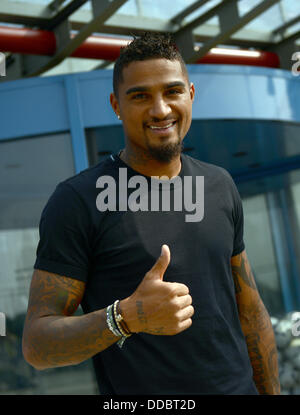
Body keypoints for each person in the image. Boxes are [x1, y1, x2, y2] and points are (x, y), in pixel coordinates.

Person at [22, 32, 280, 395]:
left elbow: (251, 313)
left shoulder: (219, 185)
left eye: (172, 91)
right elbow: (37, 345)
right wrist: (126, 317)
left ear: (191, 94)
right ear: (116, 105)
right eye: (140, 96)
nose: (160, 109)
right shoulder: (78, 201)